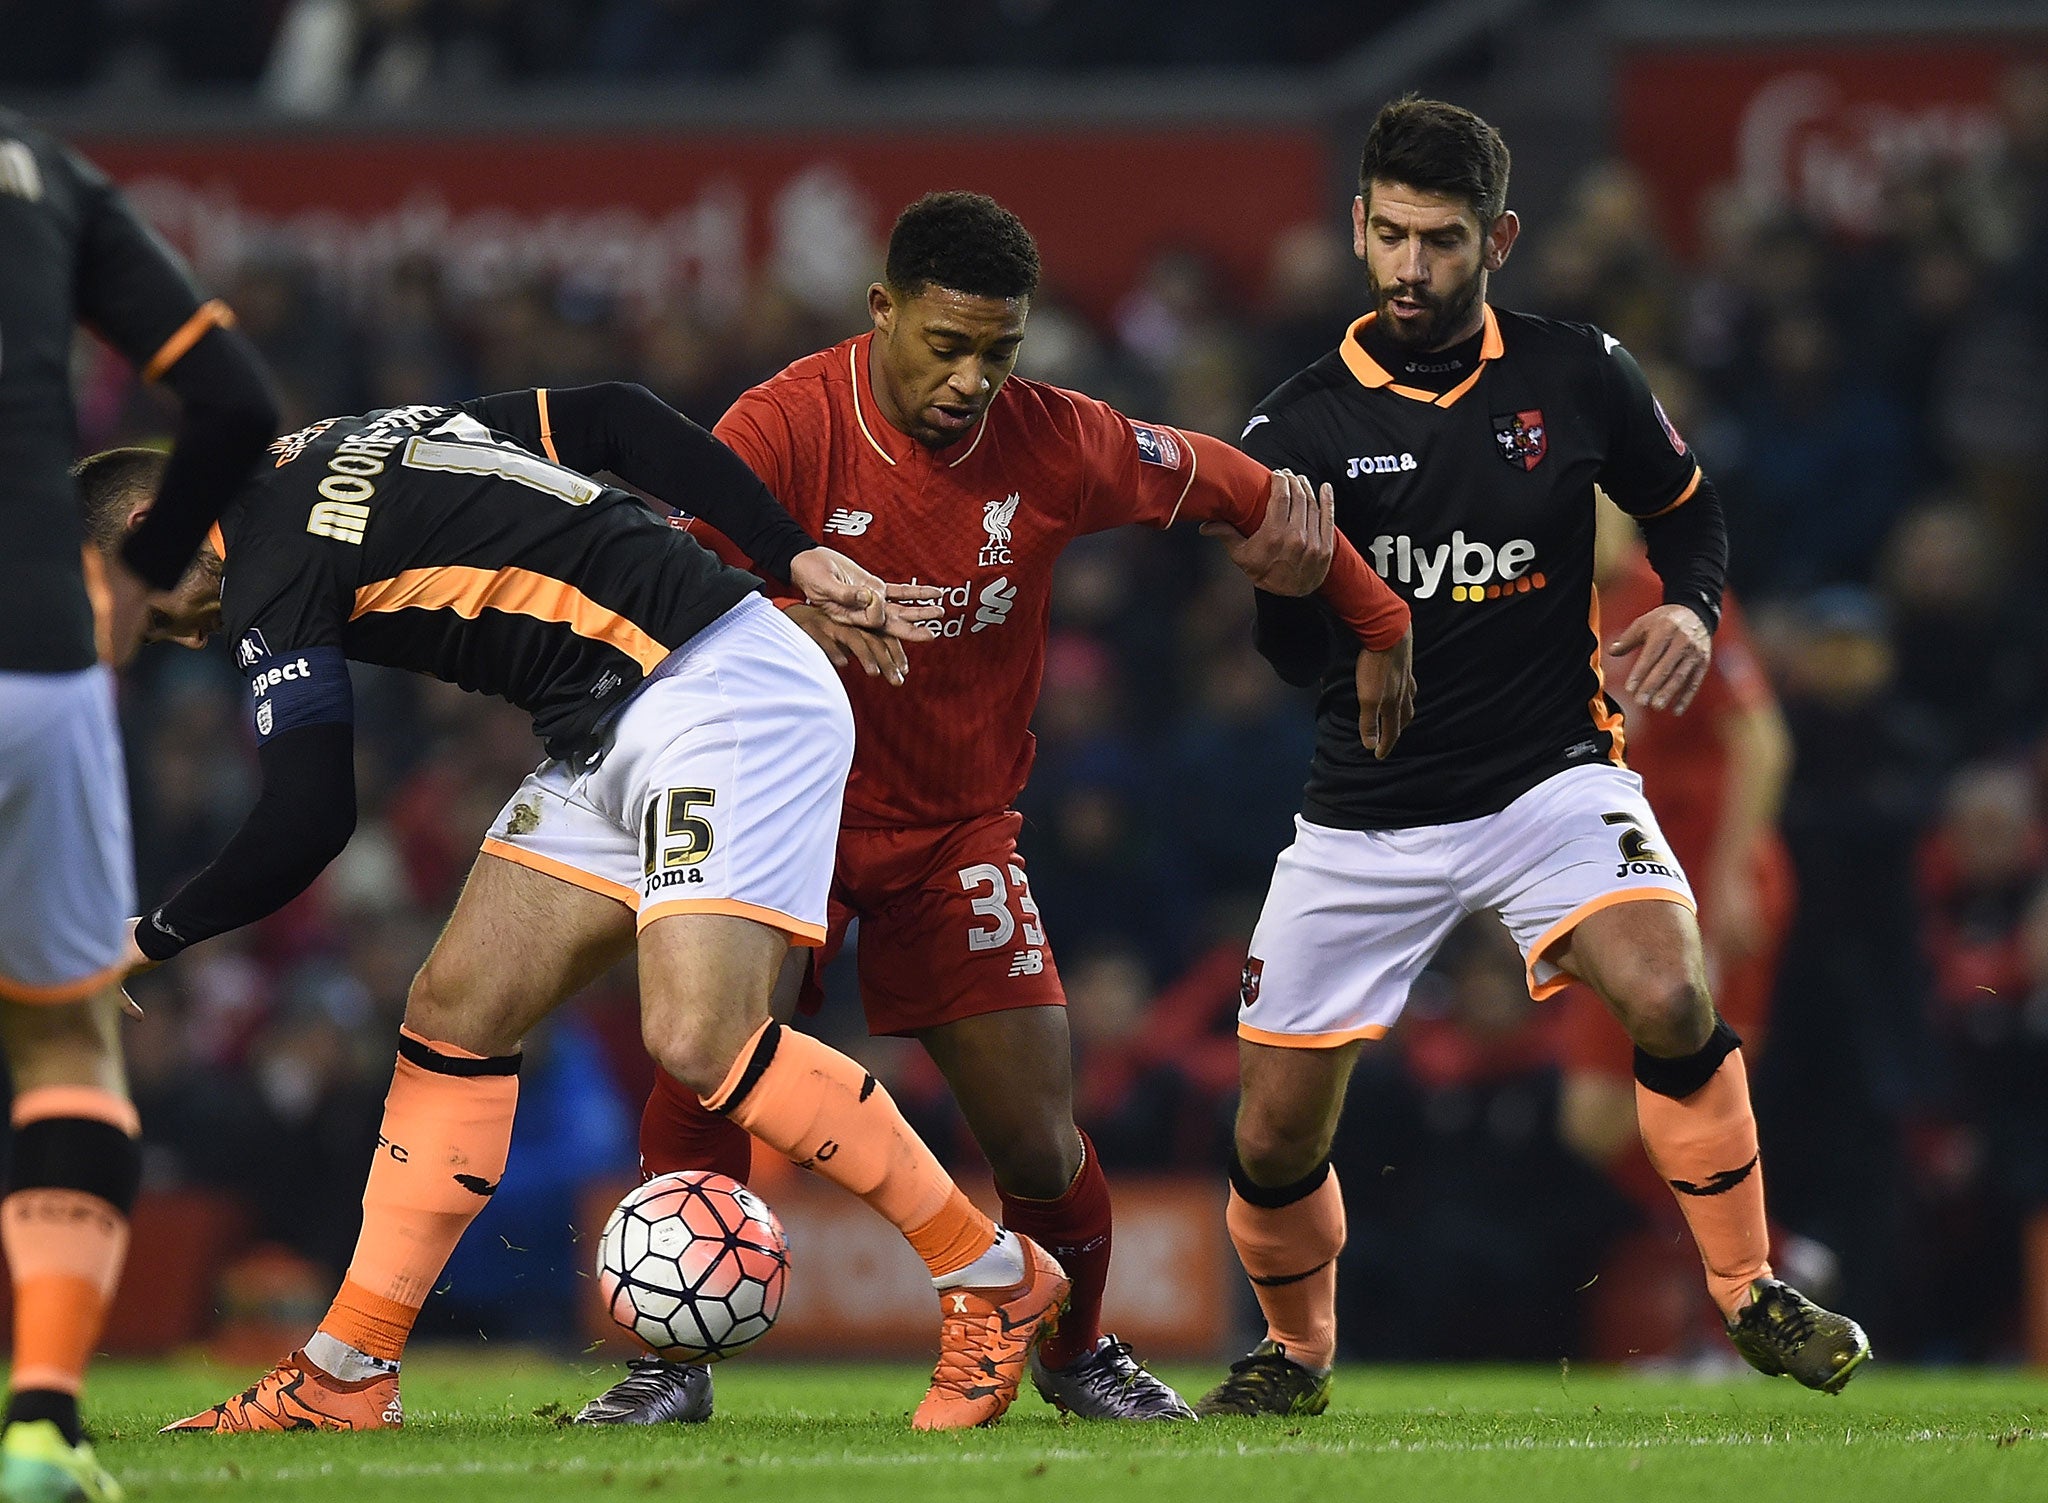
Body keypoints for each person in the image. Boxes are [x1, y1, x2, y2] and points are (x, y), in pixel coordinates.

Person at [581, 191, 1413, 1426]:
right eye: (946, 345)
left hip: (955, 829)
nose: (972, 380)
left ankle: (1075, 1358)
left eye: (999, 350)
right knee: (709, 1066)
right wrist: (798, 619)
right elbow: (652, 582)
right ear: (882, 312)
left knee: (1037, 1134)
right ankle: (669, 1367)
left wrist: (1376, 617)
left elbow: (1229, 482)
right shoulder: (784, 425)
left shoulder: (1054, 440)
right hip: (779, 814)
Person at [98, 379, 1069, 1435]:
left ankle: (990, 1273)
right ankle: (347, 1369)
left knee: (702, 1039)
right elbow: (608, 415)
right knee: (454, 1008)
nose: (161, 636)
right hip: (616, 715)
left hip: (716, 697)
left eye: (134, 608)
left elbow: (307, 816)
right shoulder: (329, 442)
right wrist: (784, 553)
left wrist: (148, 943)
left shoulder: (271, 570)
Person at [1197, 96, 1870, 1417]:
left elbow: (1690, 516)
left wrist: (1688, 605)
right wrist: (1289, 596)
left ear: (1496, 238)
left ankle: (1750, 1291)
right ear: (1357, 228)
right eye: (1388, 236)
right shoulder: (1297, 429)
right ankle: (1298, 1355)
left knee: (1672, 991)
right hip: (1366, 814)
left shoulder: (1580, 374)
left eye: (1440, 241)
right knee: (1274, 1132)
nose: (1409, 267)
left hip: (1549, 778)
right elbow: (1289, 665)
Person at [0, 108, 280, 1503]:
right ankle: (44, 1423)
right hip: (42, 654)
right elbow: (233, 402)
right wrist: (134, 582)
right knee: (65, 1051)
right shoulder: (49, 173)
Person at [1555, 503, 1798, 1298]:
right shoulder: (1544, 612)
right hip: (1622, 892)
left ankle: (1748, 1286)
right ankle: (1777, 1261)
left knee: (1690, 1097)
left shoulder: (1678, 605)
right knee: (1594, 1122)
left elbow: (1761, 741)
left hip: (1705, 881)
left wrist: (1733, 875)